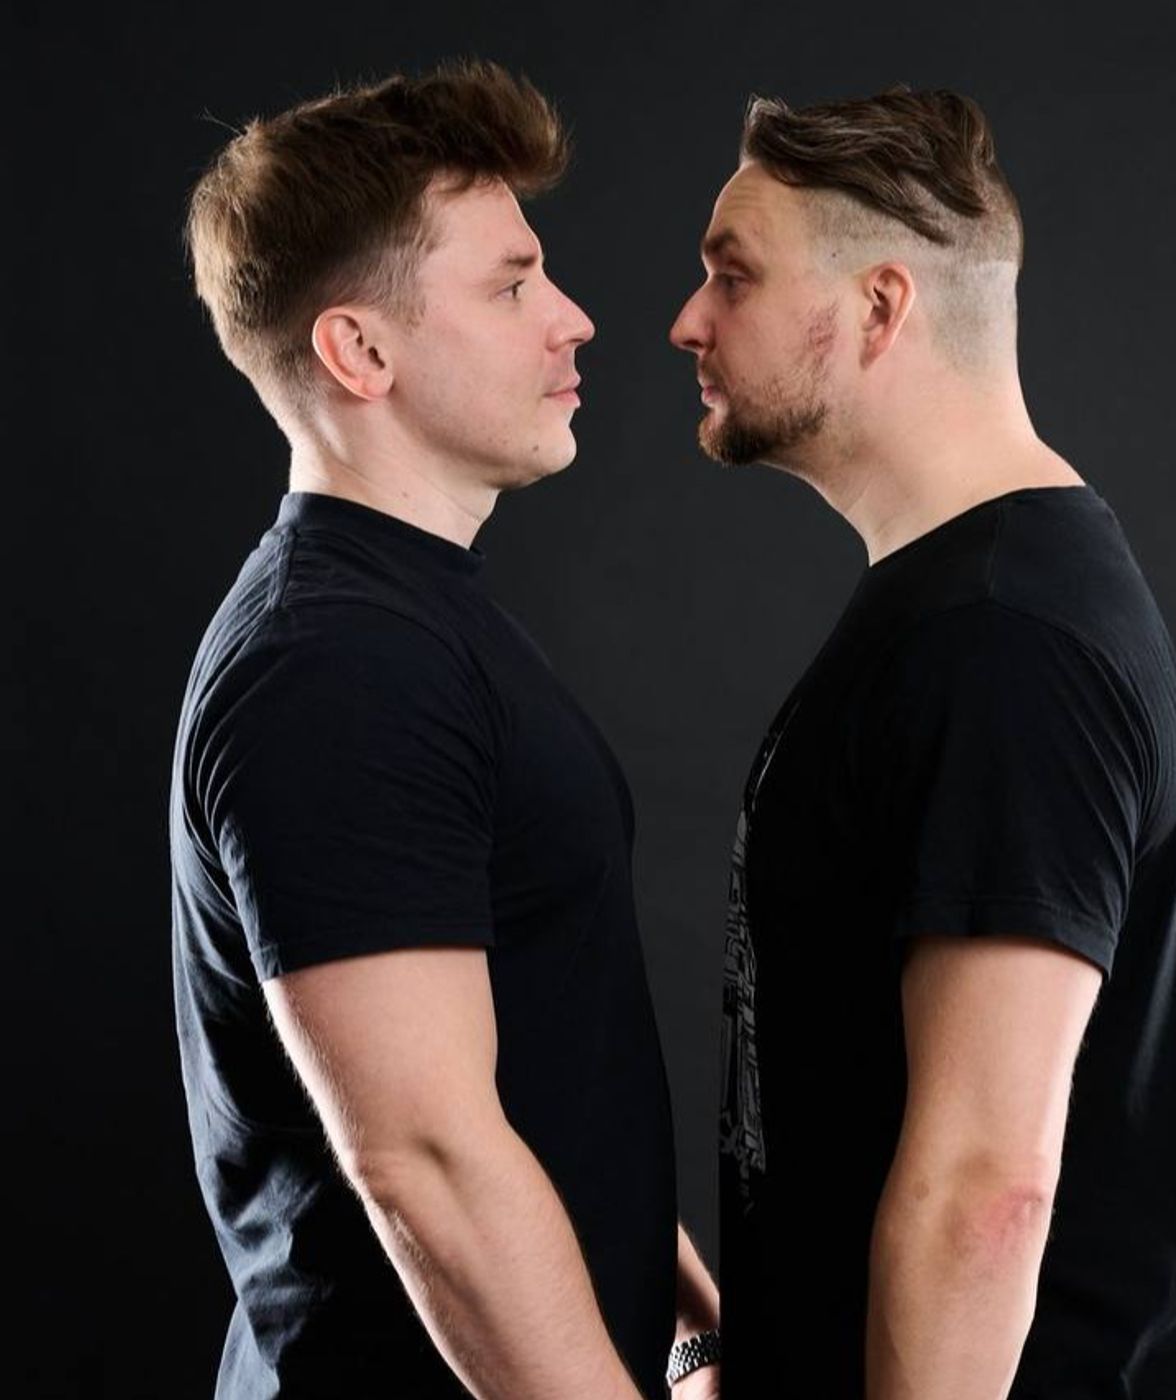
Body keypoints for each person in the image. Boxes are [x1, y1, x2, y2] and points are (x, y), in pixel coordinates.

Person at [669, 86, 1176, 1399]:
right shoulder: (959, 606)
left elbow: (984, 1191)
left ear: (880, 307)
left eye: (733, 275)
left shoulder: (1004, 638)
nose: (688, 321)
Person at [170, 58, 718, 1400]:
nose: (574, 319)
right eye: (512, 285)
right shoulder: (335, 666)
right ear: (360, 351)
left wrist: (688, 1326)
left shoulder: (414, 618)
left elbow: (538, 1059)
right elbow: (425, 1162)